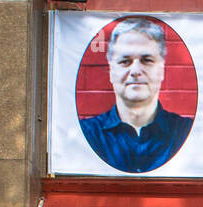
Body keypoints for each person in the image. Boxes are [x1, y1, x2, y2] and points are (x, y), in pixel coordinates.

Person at [80, 18, 194, 174]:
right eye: (125, 61)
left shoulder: (187, 132)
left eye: (146, 60)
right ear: (112, 72)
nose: (135, 71)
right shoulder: (86, 134)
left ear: (162, 70)